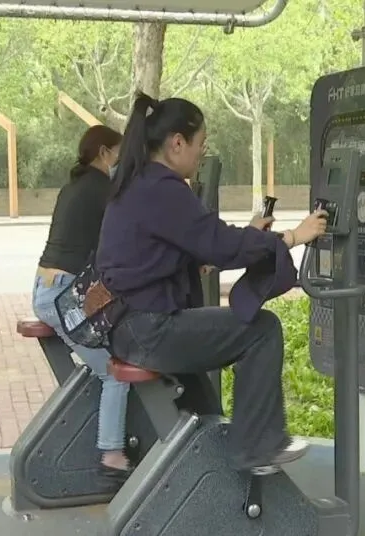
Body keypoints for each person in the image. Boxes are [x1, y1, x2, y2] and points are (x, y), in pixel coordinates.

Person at [96, 93, 329, 473]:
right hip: (148, 328)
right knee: (262, 329)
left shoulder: (139, 182)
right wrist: (292, 237)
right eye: (200, 144)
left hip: (129, 325)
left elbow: (189, 243)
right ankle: (258, 446)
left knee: (203, 404)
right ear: (177, 143)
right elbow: (218, 244)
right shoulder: (164, 188)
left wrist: (246, 237)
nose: (202, 153)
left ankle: (212, 471)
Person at [31, 124, 132, 480]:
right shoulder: (102, 190)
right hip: (65, 298)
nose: (124, 161)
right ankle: (112, 455)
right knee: (114, 372)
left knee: (109, 354)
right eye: (121, 153)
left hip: (50, 288)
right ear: (104, 153)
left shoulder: (75, 186)